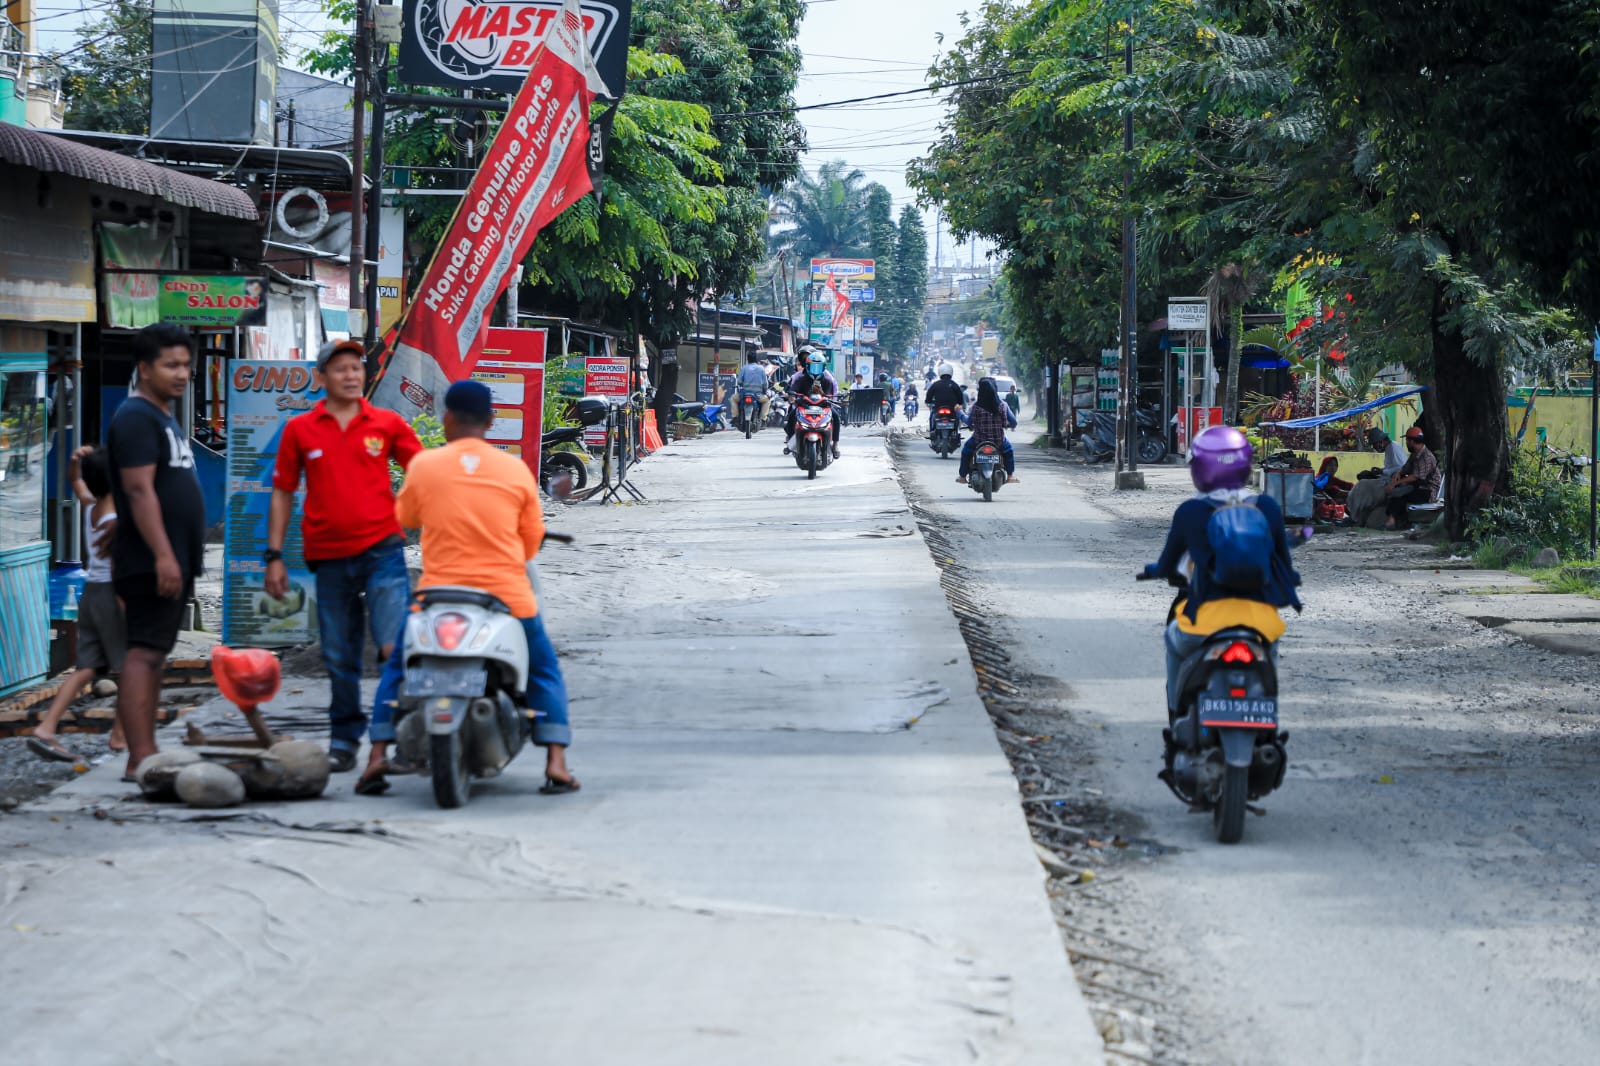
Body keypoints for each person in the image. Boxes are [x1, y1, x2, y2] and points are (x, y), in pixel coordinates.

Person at [358, 381, 576, 796]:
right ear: (491, 421)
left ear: (447, 419)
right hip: (506, 598)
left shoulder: (424, 466)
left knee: (397, 669)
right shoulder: (515, 471)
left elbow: (403, 520)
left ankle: (375, 758)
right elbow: (530, 542)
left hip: (436, 598)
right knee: (544, 668)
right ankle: (557, 764)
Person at [266, 339, 423, 773]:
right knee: (339, 654)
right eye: (341, 369)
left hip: (383, 552)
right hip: (328, 558)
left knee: (395, 646)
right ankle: (344, 741)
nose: (351, 375)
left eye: (356, 368)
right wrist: (274, 555)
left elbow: (425, 469)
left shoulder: (386, 423)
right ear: (321, 378)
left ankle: (403, 734)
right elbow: (282, 492)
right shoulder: (301, 430)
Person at [1143, 426, 1302, 720]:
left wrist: (1156, 570)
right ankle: (1267, 714)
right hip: (1259, 620)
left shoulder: (1190, 511)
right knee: (1268, 656)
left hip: (1202, 619)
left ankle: (1177, 717)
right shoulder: (1265, 506)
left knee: (1174, 644)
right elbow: (1283, 562)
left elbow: (1167, 563)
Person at [106, 322, 206, 782]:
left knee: (153, 653)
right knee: (143, 654)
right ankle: (138, 757)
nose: (182, 373)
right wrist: (164, 554)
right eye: (171, 365)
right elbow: (139, 490)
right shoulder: (136, 417)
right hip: (153, 561)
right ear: (145, 369)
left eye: (186, 364)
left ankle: (144, 751)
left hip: (166, 557)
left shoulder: (161, 417)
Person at [29, 446, 128, 762]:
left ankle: (46, 727)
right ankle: (119, 736)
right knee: (129, 672)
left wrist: (74, 464)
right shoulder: (115, 518)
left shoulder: (90, 507)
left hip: (90, 594)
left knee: (85, 668)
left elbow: (77, 482)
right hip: (112, 595)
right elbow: (118, 567)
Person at [958, 378, 1020, 484]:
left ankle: (962, 477)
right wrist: (1007, 425)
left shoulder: (976, 406)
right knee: (1008, 451)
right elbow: (1013, 422)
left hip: (978, 441)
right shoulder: (1003, 405)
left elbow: (968, 422)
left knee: (966, 452)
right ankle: (1010, 476)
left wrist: (959, 413)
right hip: (998, 441)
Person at [785, 348, 840, 458]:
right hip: (805, 406)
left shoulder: (827, 380)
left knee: (836, 416)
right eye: (813, 366)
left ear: (823, 367)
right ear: (807, 366)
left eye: (818, 367)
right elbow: (793, 390)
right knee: (791, 416)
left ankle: (835, 444)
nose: (815, 370)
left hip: (822, 407)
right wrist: (792, 396)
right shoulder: (801, 378)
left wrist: (822, 393)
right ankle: (790, 441)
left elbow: (830, 396)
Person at [1384, 426, 1441, 530]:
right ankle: (1399, 521)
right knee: (1396, 494)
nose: (1406, 443)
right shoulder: (1415, 454)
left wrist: (1394, 484)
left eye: (1407, 440)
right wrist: (1398, 474)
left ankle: (1392, 522)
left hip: (1428, 490)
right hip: (1417, 487)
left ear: (1412, 441)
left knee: (1400, 496)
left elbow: (1416, 476)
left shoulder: (1426, 457)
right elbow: (1406, 468)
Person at [924, 364, 965, 431]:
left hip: (938, 407)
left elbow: (929, 394)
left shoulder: (936, 384)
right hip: (952, 408)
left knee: (932, 416)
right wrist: (959, 403)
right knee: (957, 417)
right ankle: (957, 430)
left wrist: (928, 401)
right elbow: (960, 396)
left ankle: (932, 431)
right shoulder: (954, 384)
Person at [736, 351, 769, 430]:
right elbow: (765, 383)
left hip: (744, 394)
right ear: (756, 359)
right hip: (757, 395)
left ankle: (735, 417)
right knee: (767, 401)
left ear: (748, 359)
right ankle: (763, 419)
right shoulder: (761, 368)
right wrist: (765, 390)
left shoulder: (744, 368)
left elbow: (739, 382)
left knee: (734, 399)